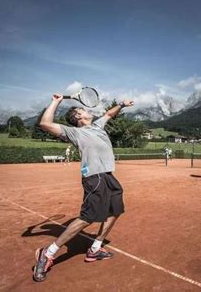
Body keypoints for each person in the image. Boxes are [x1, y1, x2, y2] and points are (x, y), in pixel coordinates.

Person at [33, 94, 134, 282]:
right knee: (87, 218)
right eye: (83, 110)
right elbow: (45, 124)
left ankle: (94, 249)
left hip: (108, 176)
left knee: (115, 210)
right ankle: (48, 252)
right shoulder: (74, 132)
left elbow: (109, 114)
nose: (87, 110)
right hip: (94, 178)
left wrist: (121, 104)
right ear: (78, 116)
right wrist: (56, 101)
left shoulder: (97, 125)